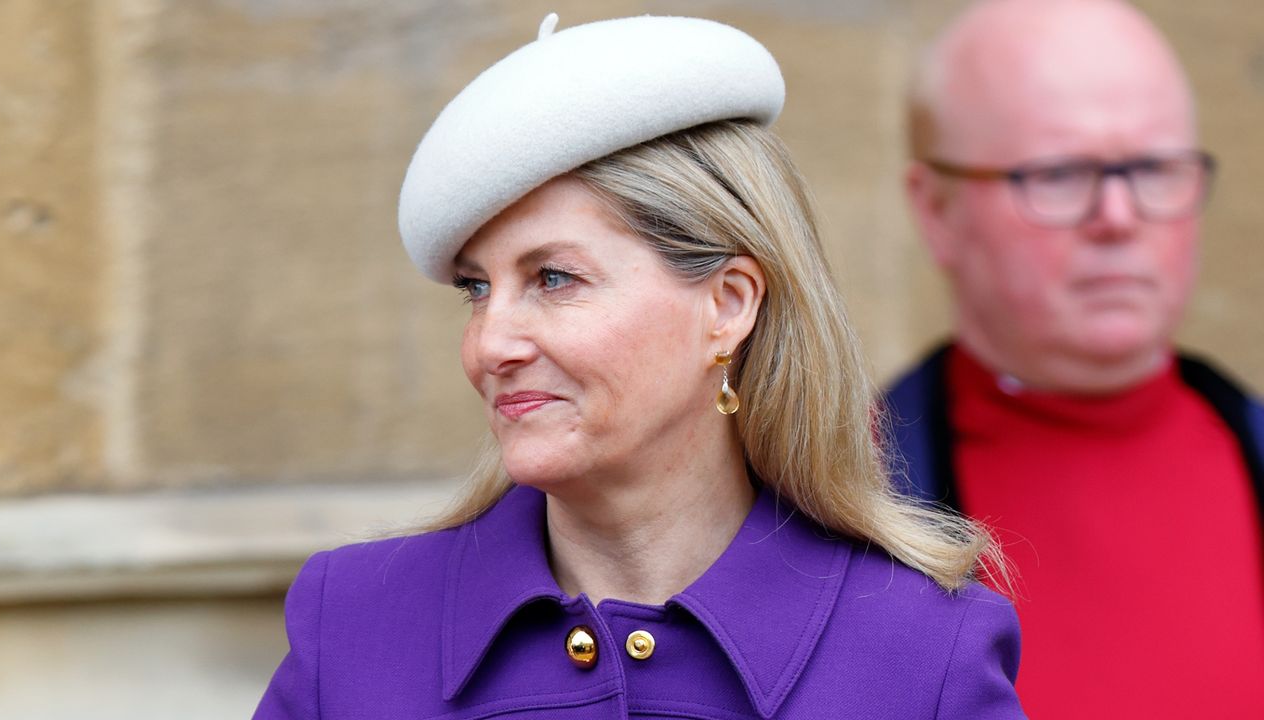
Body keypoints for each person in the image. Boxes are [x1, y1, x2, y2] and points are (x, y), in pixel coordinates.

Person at [255, 14, 1025, 719]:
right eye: (476, 289)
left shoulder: (922, 657)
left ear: (727, 305)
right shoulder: (356, 629)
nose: (491, 345)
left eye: (553, 279)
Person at [890, 0, 1264, 717]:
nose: (1119, 217)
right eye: (1058, 173)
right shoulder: (820, 508)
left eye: (1154, 166)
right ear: (936, 209)